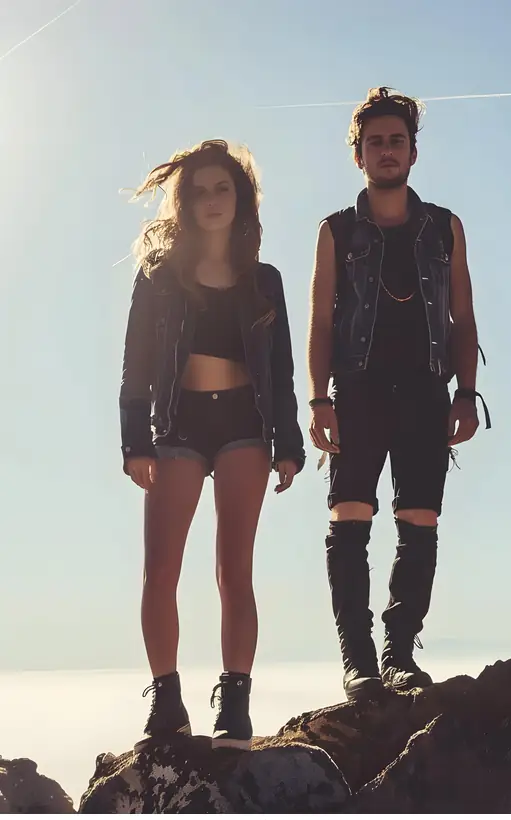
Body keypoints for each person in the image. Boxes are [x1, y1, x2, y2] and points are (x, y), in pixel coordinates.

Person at [119, 139, 305, 749]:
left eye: (222, 188)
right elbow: (136, 366)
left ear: (240, 197)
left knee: (235, 571)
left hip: (244, 427)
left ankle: (235, 700)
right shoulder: (160, 278)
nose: (210, 200)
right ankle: (166, 700)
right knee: (160, 572)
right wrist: (134, 440)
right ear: (185, 201)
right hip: (178, 424)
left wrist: (289, 442)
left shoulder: (265, 281)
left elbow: (280, 368)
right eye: (198, 191)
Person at [307, 87, 490, 702]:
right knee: (350, 518)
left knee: (420, 521)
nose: (387, 151)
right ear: (357, 154)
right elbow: (321, 323)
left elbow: (463, 316)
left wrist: (467, 393)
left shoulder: (444, 227)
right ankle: (357, 661)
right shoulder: (335, 231)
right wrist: (318, 399)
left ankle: (398, 654)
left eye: (397, 141)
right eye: (375, 143)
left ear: (413, 150)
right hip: (356, 390)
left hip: (424, 390)